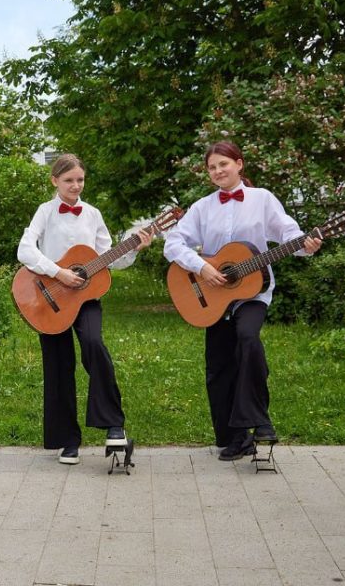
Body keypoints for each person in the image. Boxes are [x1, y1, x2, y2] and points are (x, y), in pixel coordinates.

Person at [164, 141, 321, 461]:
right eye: (212, 167)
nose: (218, 171)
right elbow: (173, 243)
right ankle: (235, 438)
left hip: (253, 292)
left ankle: (259, 420)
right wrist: (202, 267)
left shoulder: (262, 199)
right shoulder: (202, 207)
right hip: (212, 296)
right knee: (219, 366)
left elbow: (289, 233)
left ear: (239, 164)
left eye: (224, 164)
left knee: (248, 339)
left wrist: (307, 245)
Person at [17, 154, 152, 465]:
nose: (75, 186)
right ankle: (68, 440)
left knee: (94, 346)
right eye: (68, 181)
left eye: (79, 180)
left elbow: (108, 257)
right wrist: (58, 272)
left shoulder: (92, 214)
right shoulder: (45, 212)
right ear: (54, 181)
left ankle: (114, 425)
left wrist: (133, 247)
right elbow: (25, 249)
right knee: (58, 365)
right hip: (48, 298)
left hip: (87, 298)